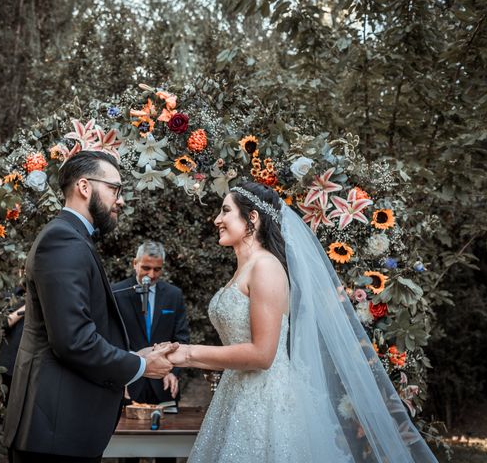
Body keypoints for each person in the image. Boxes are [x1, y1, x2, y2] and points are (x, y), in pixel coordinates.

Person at [167, 181, 438, 462]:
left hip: (266, 401)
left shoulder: (266, 267)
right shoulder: (244, 270)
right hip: (236, 393)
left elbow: (262, 355)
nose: (217, 219)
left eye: (225, 211)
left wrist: (187, 354)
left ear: (253, 218)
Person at [3, 150, 177, 463]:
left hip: (59, 430)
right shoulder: (63, 241)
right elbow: (73, 340)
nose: (120, 200)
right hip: (54, 432)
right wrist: (140, 367)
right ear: (85, 187)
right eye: (115, 189)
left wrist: (132, 355)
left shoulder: (72, 237)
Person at [113, 241, 190, 407]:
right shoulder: (116, 293)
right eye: (146, 268)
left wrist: (174, 372)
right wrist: (120, 375)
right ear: (135, 263)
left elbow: (181, 337)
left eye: (157, 269)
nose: (152, 275)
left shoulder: (173, 295)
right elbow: (111, 337)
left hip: (163, 383)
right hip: (128, 382)